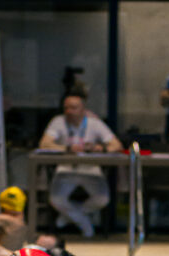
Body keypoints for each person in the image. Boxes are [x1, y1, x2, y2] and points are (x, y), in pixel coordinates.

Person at [38, 87, 123, 238]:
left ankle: (66, 217)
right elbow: (44, 144)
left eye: (73, 108)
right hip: (66, 170)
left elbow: (117, 145)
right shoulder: (58, 121)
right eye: (66, 108)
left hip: (90, 170)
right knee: (56, 199)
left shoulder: (94, 123)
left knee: (102, 199)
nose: (69, 111)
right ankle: (84, 224)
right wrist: (67, 148)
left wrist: (100, 148)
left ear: (83, 109)